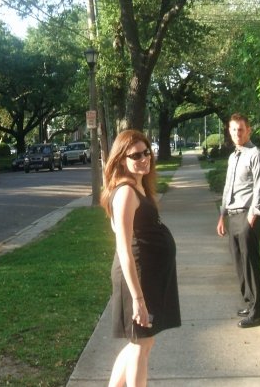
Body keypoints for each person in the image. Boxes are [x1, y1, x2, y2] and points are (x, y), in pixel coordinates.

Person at [101, 129, 181, 386]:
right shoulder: (125, 192)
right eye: (136, 155)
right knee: (140, 345)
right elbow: (123, 248)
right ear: (121, 159)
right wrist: (137, 299)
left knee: (142, 341)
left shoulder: (138, 186)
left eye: (147, 152)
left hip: (149, 276)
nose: (144, 158)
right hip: (136, 278)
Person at [216, 113, 260, 328]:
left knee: (251, 263)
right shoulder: (233, 157)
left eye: (241, 129)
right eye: (233, 130)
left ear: (249, 130)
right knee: (239, 263)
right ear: (229, 132)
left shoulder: (256, 155)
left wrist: (253, 213)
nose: (237, 133)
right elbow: (228, 188)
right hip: (232, 215)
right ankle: (250, 302)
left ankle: (259, 312)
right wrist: (221, 215)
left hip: (248, 215)